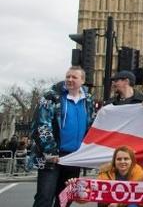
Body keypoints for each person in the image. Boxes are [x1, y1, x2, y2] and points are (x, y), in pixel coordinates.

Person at [31, 66, 95, 207]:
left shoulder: (88, 99)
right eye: (68, 76)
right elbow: (41, 125)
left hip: (73, 157)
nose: (69, 80)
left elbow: (92, 123)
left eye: (74, 77)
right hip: (52, 157)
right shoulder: (51, 97)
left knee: (65, 199)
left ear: (82, 81)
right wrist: (50, 151)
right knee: (45, 197)